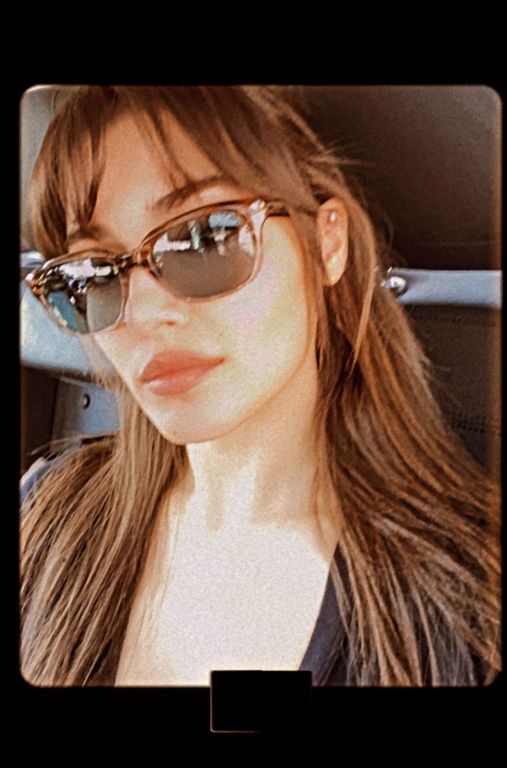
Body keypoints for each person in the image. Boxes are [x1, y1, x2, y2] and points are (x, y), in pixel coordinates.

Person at [20, 85, 501, 687]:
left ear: (326, 244)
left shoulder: (468, 607)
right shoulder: (44, 511)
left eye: (206, 237)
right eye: (93, 272)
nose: (141, 314)